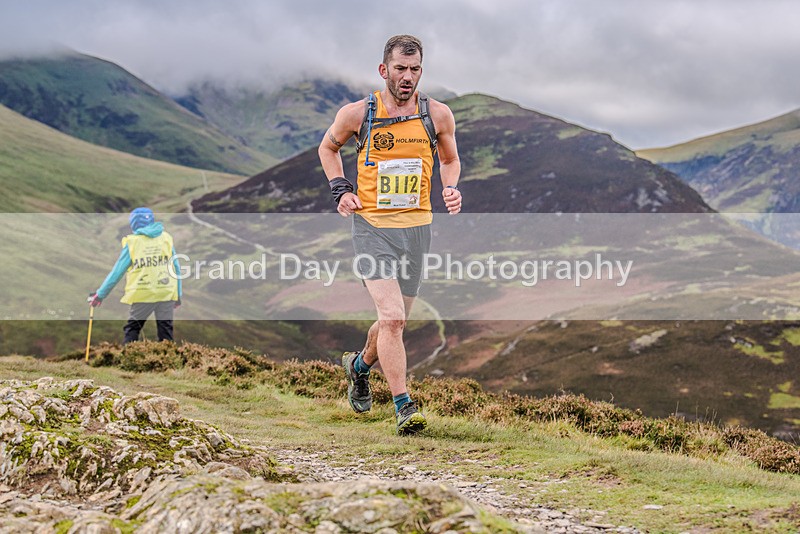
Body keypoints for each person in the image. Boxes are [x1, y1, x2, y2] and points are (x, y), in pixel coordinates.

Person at [318, 35, 462, 435]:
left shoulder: (438, 115)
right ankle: (403, 406)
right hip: (372, 229)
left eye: (415, 70)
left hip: (417, 230)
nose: (408, 77)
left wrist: (450, 187)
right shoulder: (358, 113)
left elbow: (450, 159)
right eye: (400, 69)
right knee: (393, 318)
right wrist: (340, 189)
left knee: (392, 324)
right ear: (384, 70)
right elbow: (327, 150)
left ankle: (359, 366)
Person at [88, 207, 182, 344]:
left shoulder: (132, 243)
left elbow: (117, 272)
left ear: (133, 224)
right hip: (166, 292)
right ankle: (169, 363)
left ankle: (128, 360)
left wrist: (100, 295)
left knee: (133, 329)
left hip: (143, 292)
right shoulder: (166, 238)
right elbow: (176, 268)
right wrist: (178, 295)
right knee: (165, 331)